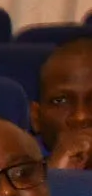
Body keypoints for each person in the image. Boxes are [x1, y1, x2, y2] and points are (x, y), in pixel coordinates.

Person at [32, 37, 92, 170]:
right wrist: (57, 176)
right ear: (35, 118)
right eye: (61, 101)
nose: (80, 117)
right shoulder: (11, 178)